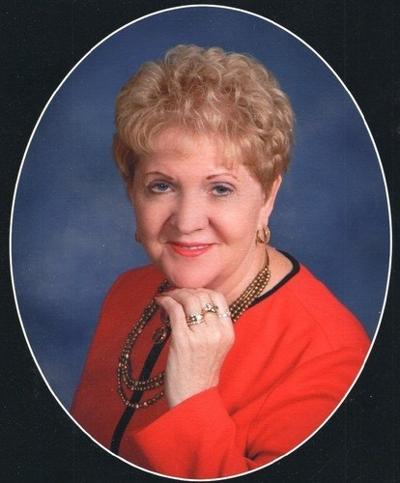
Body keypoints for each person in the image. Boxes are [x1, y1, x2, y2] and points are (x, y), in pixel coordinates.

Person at [71, 45, 369, 479]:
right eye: (161, 186)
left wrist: (194, 397)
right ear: (131, 190)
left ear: (267, 197)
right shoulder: (127, 293)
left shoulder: (329, 354)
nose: (187, 221)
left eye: (221, 189)